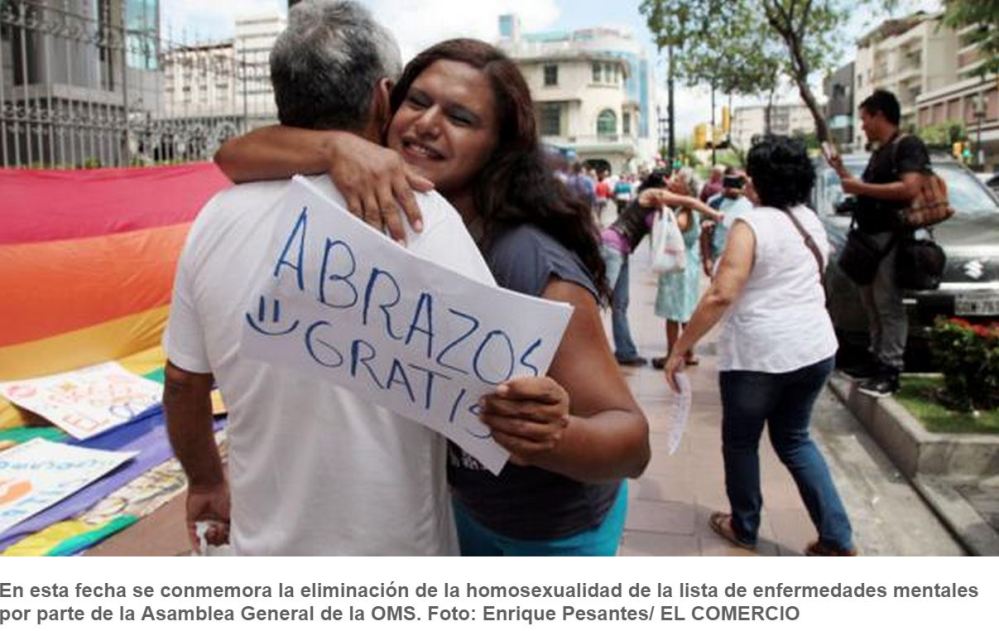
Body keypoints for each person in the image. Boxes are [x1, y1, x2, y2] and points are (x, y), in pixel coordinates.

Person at [214, 38, 650, 556]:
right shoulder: (390, 206)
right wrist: (335, 147)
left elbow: (632, 442)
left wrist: (553, 433)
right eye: (417, 102)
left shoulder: (529, 260)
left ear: (500, 148)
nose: (426, 124)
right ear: (387, 106)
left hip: (550, 531)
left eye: (461, 117)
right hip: (463, 508)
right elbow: (234, 156)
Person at [162, 0, 496, 555]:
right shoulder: (419, 214)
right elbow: (493, 387)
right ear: (382, 97)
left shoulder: (215, 218)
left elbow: (182, 383)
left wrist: (203, 481)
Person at [664, 135, 856, 557]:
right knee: (794, 439)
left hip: (760, 356)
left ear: (762, 179)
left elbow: (721, 294)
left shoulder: (751, 224)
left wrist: (681, 348)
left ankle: (744, 525)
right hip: (815, 349)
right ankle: (837, 537)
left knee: (741, 441)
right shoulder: (809, 219)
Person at [825, 89, 930, 397]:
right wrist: (843, 173)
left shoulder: (907, 146)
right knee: (871, 303)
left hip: (891, 240)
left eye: (865, 119)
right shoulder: (881, 150)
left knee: (887, 304)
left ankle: (891, 369)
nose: (863, 126)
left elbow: (910, 189)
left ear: (880, 115)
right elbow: (866, 190)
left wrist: (861, 187)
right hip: (869, 241)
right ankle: (876, 360)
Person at [599, 171, 723, 367]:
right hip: (612, 246)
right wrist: (715, 214)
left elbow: (686, 209)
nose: (671, 182)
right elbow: (689, 201)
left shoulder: (664, 205)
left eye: (676, 179)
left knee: (620, 303)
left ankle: (625, 352)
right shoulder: (651, 194)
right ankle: (587, 346)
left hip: (621, 250)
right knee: (603, 299)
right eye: (670, 179)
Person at [651, 170, 703, 370]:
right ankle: (688, 352)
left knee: (673, 314)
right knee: (685, 312)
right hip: (688, 265)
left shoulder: (685, 210)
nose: (672, 182)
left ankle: (672, 354)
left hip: (677, 268)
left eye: (678, 180)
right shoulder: (688, 206)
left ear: (686, 187)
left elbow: (678, 226)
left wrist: (664, 209)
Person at [699, 168, 754, 277]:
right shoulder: (714, 202)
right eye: (731, 180)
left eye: (739, 180)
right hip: (720, 257)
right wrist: (707, 259)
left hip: (745, 258)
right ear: (724, 180)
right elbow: (705, 233)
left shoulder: (752, 202)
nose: (734, 184)